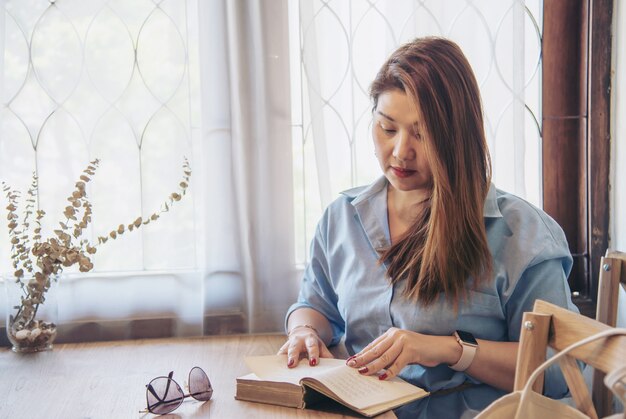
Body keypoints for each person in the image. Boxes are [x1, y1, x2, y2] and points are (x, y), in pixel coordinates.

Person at [279, 37, 578, 418]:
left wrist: (449, 349)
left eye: (422, 134)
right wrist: (303, 331)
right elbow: (316, 306)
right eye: (388, 129)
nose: (402, 151)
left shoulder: (521, 235)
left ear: (457, 137)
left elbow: (555, 372)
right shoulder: (341, 219)